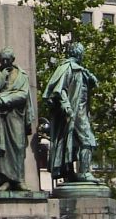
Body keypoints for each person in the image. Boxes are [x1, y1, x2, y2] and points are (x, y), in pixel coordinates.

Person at [42, 42, 99, 182]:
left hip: (82, 111)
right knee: (88, 140)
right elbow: (59, 89)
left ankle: (70, 172)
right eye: (82, 52)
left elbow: (93, 84)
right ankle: (84, 172)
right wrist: (67, 107)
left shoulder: (79, 69)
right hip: (75, 111)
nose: (83, 55)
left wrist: (89, 76)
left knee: (74, 143)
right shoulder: (67, 67)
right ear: (78, 53)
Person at [0, 47, 32, 191]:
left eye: (7, 59)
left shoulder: (21, 75)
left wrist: (4, 99)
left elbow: (23, 94)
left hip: (16, 116)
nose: (5, 62)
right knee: (0, 148)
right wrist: (0, 79)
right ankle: (4, 180)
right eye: (2, 59)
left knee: (18, 146)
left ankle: (19, 179)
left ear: (13, 59)